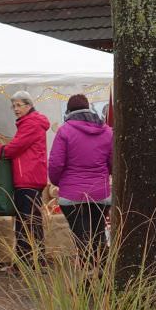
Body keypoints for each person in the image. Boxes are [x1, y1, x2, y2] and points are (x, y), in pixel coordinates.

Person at [48, 93, 114, 261]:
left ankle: (88, 272)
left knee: (81, 238)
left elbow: (56, 164)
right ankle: (102, 272)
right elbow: (113, 163)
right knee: (98, 234)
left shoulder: (64, 131)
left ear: (69, 111)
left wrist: (58, 182)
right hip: (100, 194)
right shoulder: (107, 131)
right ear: (89, 108)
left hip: (72, 195)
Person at [0, 90, 51, 265]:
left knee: (26, 222)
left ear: (29, 105)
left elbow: (14, 149)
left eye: (19, 105)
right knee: (31, 221)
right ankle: (35, 260)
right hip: (30, 177)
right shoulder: (31, 122)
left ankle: (26, 262)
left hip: (27, 178)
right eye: (13, 106)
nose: (15, 109)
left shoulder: (31, 123)